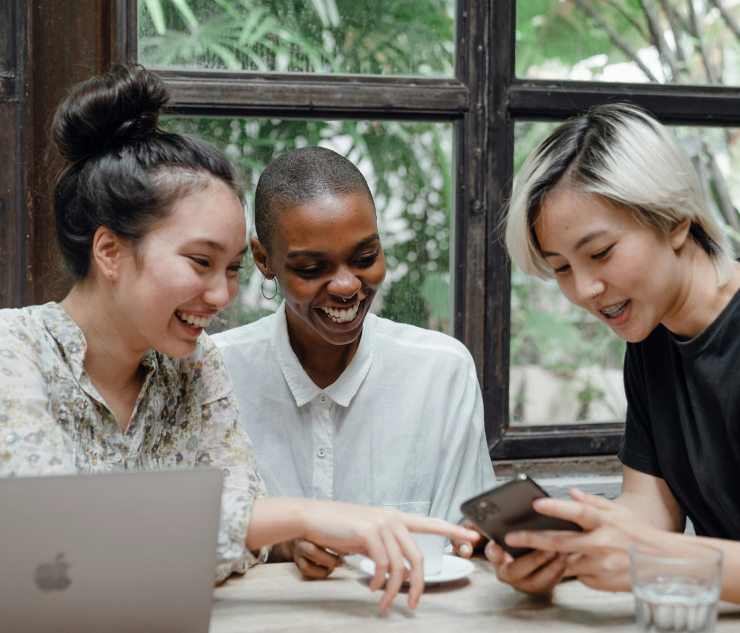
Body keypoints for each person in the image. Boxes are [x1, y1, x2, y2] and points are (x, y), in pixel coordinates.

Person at [0, 65, 479, 613]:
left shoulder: (194, 365)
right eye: (201, 262)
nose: (222, 295)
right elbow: (49, 550)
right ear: (109, 251)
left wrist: (247, 533)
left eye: (230, 270)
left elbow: (242, 536)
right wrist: (299, 516)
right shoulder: (13, 351)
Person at [490, 103, 740, 603]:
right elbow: (652, 508)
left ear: (674, 219)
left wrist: (649, 556)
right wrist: (565, 547)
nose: (584, 289)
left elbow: (653, 544)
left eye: (600, 253)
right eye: (560, 267)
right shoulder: (651, 339)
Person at [213, 147, 497, 579]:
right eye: (311, 268)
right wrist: (283, 541)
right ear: (263, 259)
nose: (347, 286)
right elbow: (186, 534)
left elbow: (466, 540)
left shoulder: (441, 372)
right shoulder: (216, 374)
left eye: (365, 258)